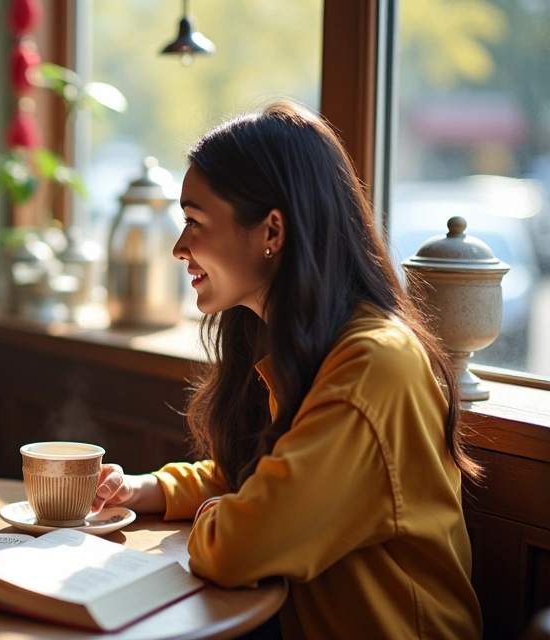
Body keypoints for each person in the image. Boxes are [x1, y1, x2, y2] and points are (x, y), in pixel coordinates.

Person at [91, 102, 483, 639]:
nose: (179, 248)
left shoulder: (373, 365)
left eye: (194, 221)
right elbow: (264, 477)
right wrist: (147, 489)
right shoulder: (307, 346)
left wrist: (217, 514)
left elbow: (240, 545)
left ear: (271, 230)